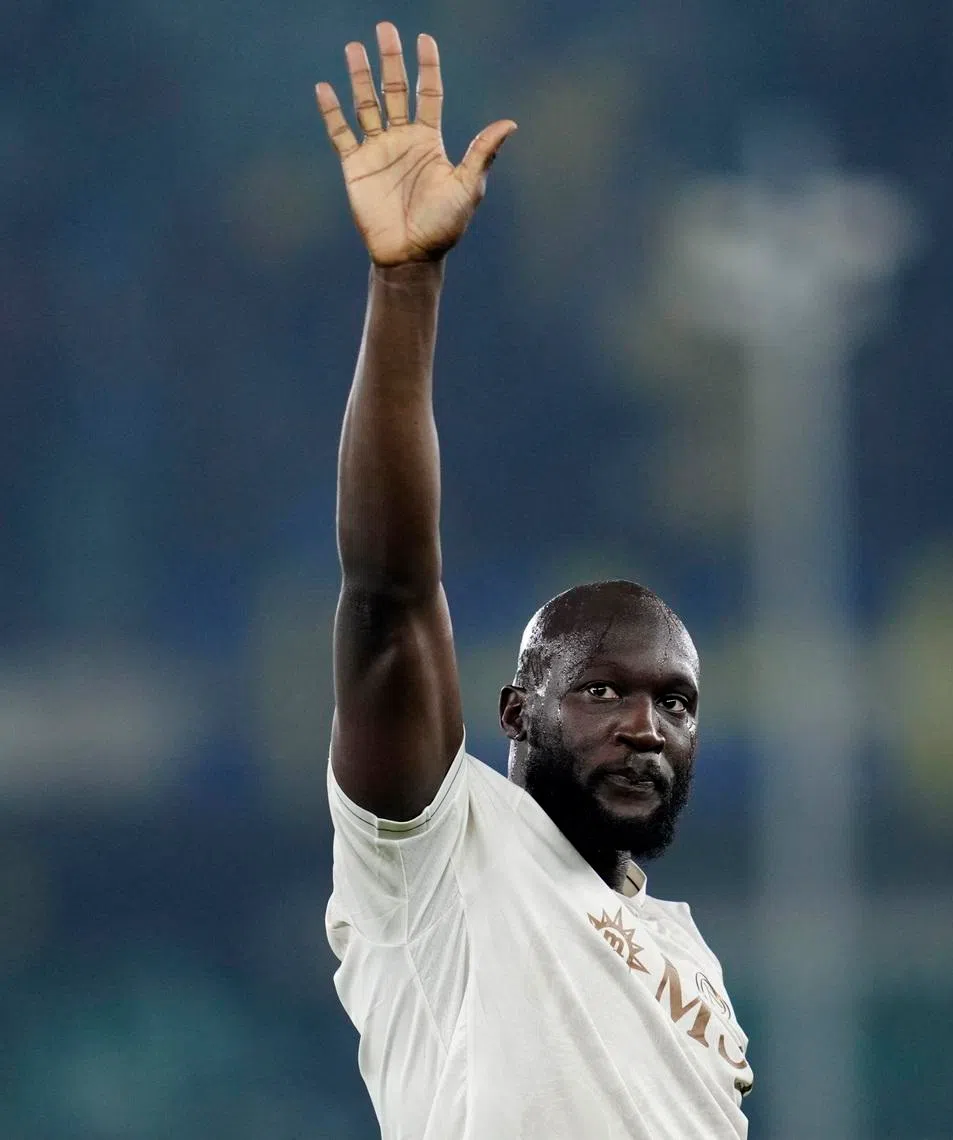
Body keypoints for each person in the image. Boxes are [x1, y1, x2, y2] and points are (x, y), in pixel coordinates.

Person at [316, 20, 753, 1138]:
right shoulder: (438, 851)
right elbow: (388, 592)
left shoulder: (691, 964)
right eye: (604, 691)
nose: (646, 725)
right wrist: (406, 282)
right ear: (515, 711)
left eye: (675, 702)